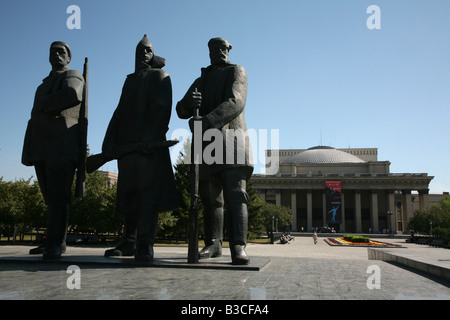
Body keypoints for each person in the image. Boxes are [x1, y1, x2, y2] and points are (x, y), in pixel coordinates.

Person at [101, 34, 178, 262]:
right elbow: (119, 112)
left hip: (147, 147)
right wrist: (109, 143)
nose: (144, 53)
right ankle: (129, 242)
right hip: (126, 147)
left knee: (147, 196)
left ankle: (145, 244)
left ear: (153, 54)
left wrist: (150, 139)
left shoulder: (160, 75)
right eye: (141, 50)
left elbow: (162, 110)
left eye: (148, 50)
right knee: (129, 194)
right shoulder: (130, 80)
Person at [176, 37, 253, 265]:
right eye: (214, 48)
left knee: (236, 195)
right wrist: (188, 102)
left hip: (232, 140)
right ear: (209, 51)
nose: (219, 51)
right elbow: (181, 109)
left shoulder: (237, 71)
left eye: (223, 48)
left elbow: (235, 101)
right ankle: (213, 244)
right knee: (211, 199)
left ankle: (238, 245)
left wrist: (206, 121)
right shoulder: (202, 78)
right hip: (208, 145)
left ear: (228, 50)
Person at [22, 41, 85, 259]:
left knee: (59, 196)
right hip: (41, 145)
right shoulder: (43, 85)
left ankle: (56, 244)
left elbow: (72, 94)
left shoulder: (73, 75)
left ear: (68, 57)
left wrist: (44, 104)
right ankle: (53, 239)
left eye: (62, 52)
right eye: (53, 52)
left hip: (62, 144)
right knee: (49, 197)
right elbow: (33, 118)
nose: (57, 55)